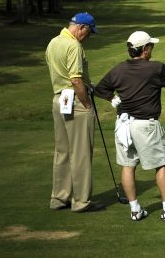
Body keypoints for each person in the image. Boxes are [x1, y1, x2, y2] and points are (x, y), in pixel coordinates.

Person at [94, 30, 165, 221]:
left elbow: (100, 89)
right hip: (145, 126)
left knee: (128, 166)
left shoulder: (118, 69)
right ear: (145, 50)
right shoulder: (154, 68)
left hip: (123, 125)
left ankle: (135, 210)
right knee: (161, 165)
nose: (152, 49)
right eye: (151, 46)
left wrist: (113, 100)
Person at [46, 12, 104, 212]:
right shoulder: (74, 46)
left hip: (58, 99)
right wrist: (87, 104)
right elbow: (76, 79)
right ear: (81, 28)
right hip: (75, 101)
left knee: (62, 151)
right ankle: (80, 201)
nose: (88, 37)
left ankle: (59, 198)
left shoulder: (53, 42)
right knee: (80, 152)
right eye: (89, 33)